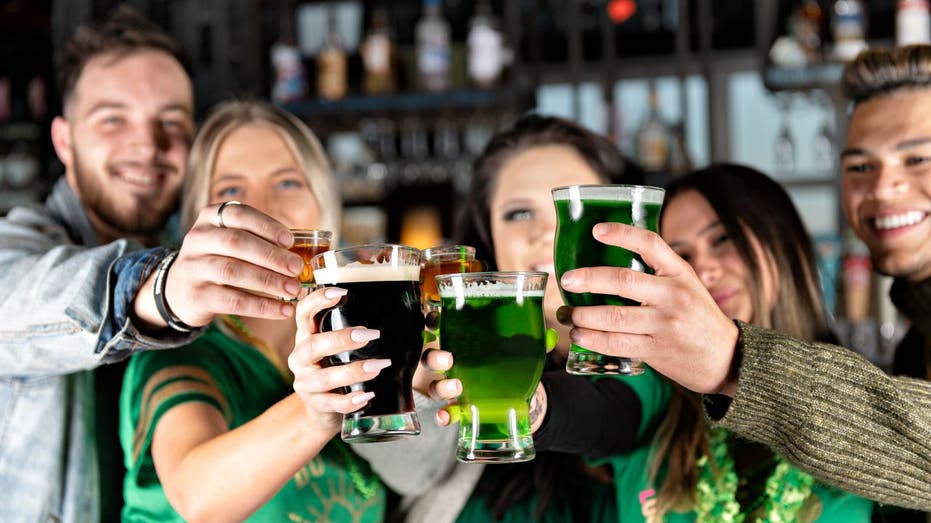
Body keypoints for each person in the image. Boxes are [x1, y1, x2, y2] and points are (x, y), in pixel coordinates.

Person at [557, 45, 931, 511]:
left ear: (782, 242)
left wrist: (732, 360)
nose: (882, 187)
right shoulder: (915, 346)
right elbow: (597, 413)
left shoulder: (865, 378)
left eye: (918, 158)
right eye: (860, 166)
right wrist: (519, 401)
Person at [0, 8, 307, 522]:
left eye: (171, 122)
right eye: (113, 119)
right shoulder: (19, 246)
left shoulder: (204, 266)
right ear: (64, 140)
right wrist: (160, 293)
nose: (147, 145)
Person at [352, 114, 646, 522]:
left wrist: (529, 404)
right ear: (488, 235)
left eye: (572, 207)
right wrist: (415, 391)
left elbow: (617, 416)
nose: (547, 230)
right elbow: (408, 472)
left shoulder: (663, 354)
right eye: (519, 214)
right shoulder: (454, 341)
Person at [121, 99, 402, 521]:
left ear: (324, 204)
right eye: (231, 192)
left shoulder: (354, 336)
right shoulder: (186, 349)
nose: (264, 209)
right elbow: (197, 496)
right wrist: (312, 412)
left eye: (288, 183)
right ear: (199, 223)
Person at [607, 164, 871, 521]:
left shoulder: (860, 404)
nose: (703, 271)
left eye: (722, 239)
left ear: (781, 239)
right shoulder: (655, 394)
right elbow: (592, 410)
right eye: (682, 256)